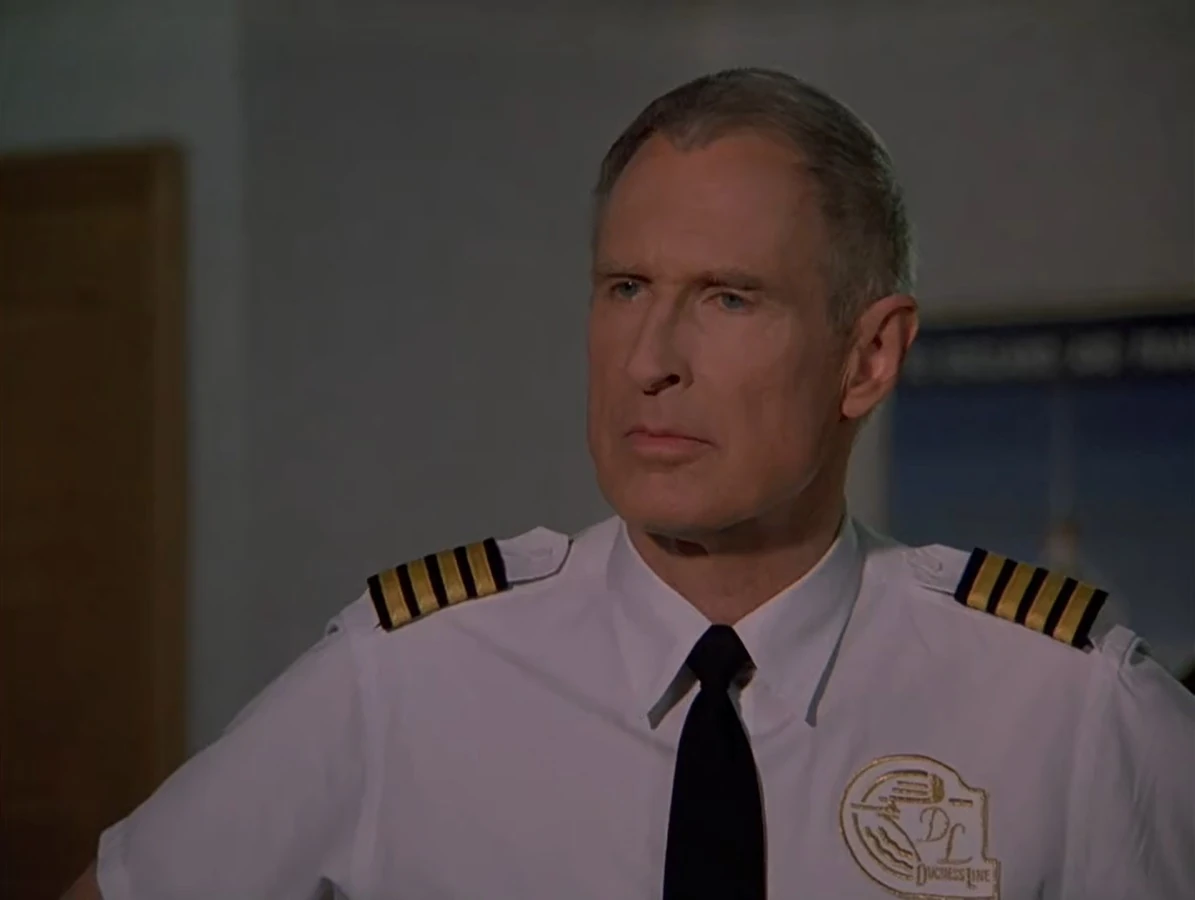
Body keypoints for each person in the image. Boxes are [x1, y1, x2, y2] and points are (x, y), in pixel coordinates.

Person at [65, 67, 1194, 900]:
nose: (649, 359)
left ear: (868, 357)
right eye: (624, 289)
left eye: (728, 298)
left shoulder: (1068, 710)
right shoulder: (400, 678)